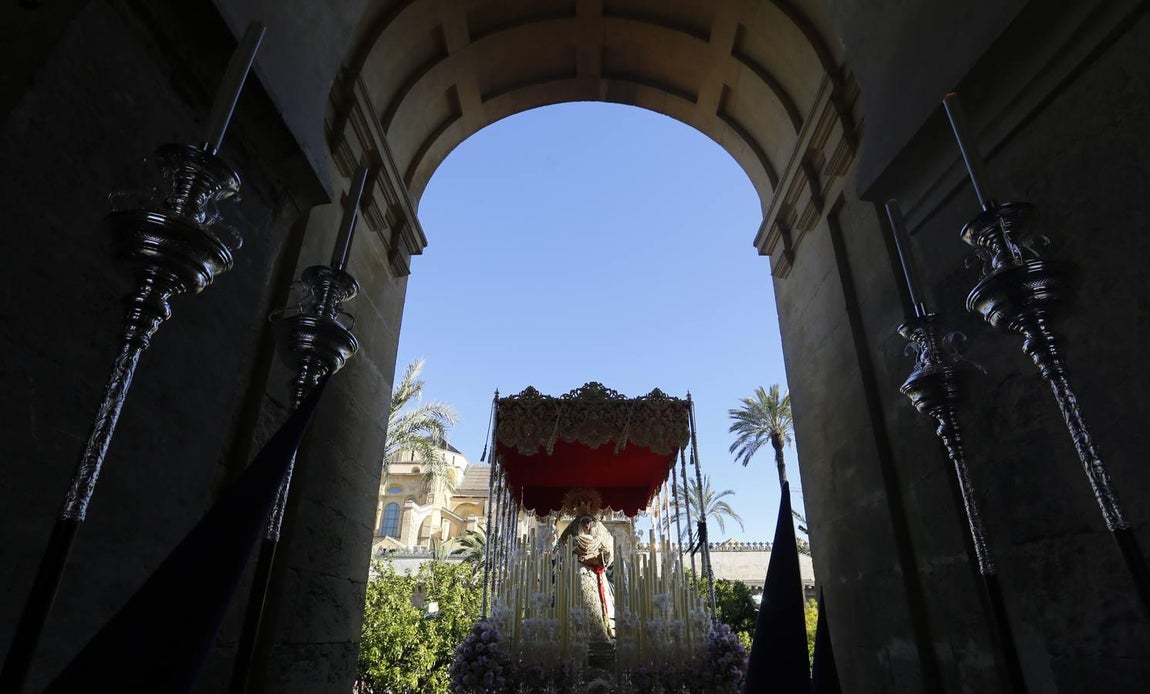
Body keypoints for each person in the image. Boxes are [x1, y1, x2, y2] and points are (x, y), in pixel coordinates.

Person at [555, 489, 615, 642]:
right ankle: (574, 634)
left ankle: (599, 636)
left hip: (595, 572)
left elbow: (609, 548)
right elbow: (560, 550)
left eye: (586, 503)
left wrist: (597, 558)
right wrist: (575, 556)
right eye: (579, 503)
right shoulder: (571, 529)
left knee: (598, 603)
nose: (587, 524)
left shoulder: (599, 527)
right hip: (577, 570)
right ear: (575, 507)